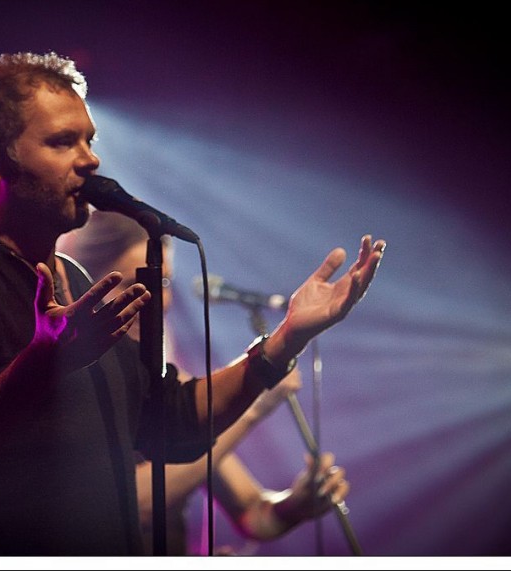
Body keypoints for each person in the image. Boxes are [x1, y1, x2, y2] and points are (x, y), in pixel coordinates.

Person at [0, 51, 385, 556]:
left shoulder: (73, 279)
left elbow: (172, 424)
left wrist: (287, 337)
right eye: (62, 142)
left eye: (89, 140)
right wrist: (41, 365)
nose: (89, 159)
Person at [59, 211, 350, 555]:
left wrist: (294, 505)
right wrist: (252, 408)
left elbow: (254, 515)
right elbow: (128, 506)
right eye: (134, 284)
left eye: (163, 283)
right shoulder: (69, 389)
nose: (156, 300)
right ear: (86, 289)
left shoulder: (171, 390)